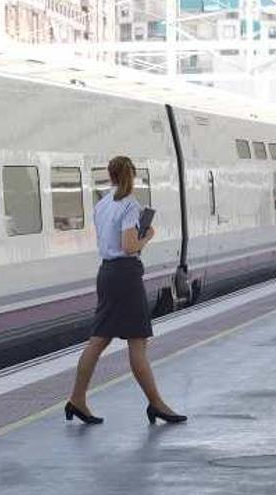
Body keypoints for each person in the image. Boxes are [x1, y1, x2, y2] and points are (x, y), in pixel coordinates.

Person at [66, 156, 186, 425]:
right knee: (137, 342)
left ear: (110, 176)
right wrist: (149, 234)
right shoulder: (130, 205)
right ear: (131, 176)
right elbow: (130, 246)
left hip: (106, 273)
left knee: (99, 339)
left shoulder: (102, 204)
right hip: (126, 275)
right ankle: (157, 404)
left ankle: (77, 399)